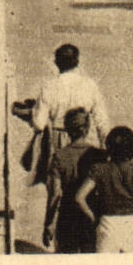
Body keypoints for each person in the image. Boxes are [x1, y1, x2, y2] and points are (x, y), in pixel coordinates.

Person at [76, 126, 133, 253]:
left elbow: (79, 198)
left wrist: (94, 218)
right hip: (131, 223)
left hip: (107, 223)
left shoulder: (99, 169)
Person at [33, 44, 111, 157]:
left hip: (58, 141)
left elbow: (39, 124)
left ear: (56, 63)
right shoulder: (90, 85)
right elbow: (102, 121)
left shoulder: (49, 86)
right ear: (77, 62)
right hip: (85, 140)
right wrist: (104, 147)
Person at [44, 107, 103, 254]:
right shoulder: (99, 155)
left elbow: (55, 193)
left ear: (67, 129)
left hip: (67, 215)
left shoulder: (59, 156)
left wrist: (49, 223)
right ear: (88, 128)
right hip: (92, 213)